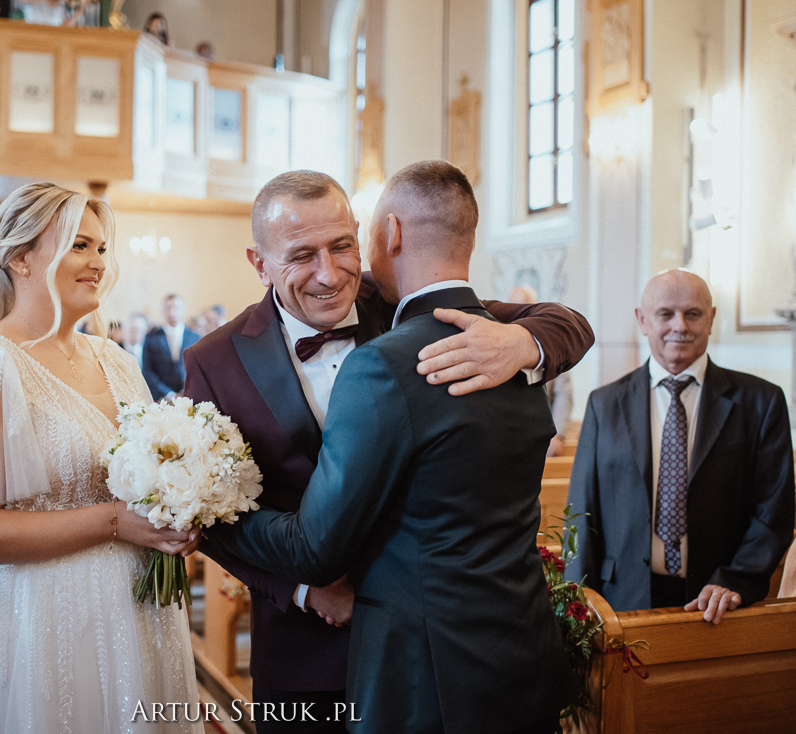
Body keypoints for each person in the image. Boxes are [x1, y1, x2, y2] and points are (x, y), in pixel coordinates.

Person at [184, 169, 592, 733]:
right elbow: (209, 510)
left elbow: (565, 322)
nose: (330, 274)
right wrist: (303, 590)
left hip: (426, 652)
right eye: (301, 255)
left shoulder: (401, 304)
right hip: (305, 657)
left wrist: (524, 342)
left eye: (342, 246)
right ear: (260, 263)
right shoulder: (215, 361)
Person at [0, 183, 201, 733]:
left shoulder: (118, 361)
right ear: (20, 258)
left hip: (137, 614)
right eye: (79, 245)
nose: (98, 262)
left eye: (101, 248)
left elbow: (148, 473)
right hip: (37, 619)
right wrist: (114, 521)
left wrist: (177, 509)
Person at [566, 269, 795, 623]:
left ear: (711, 318)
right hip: (620, 600)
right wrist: (577, 604)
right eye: (665, 314)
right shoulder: (604, 404)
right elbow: (582, 513)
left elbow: (774, 508)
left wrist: (737, 578)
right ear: (643, 320)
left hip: (719, 603)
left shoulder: (761, 402)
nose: (680, 326)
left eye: (693, 313)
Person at [510, 285, 573, 456]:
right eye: (513, 307)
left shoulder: (552, 344)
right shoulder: (497, 344)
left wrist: (557, 435)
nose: (518, 313)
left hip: (542, 436)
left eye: (524, 307)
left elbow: (563, 393)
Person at [142, 294, 199, 400]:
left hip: (190, 395)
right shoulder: (151, 338)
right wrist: (168, 394)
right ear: (163, 311)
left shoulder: (195, 337)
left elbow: (199, 370)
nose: (172, 312)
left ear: (183, 310)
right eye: (168, 308)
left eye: (176, 307)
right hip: (162, 398)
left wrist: (185, 391)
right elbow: (147, 371)